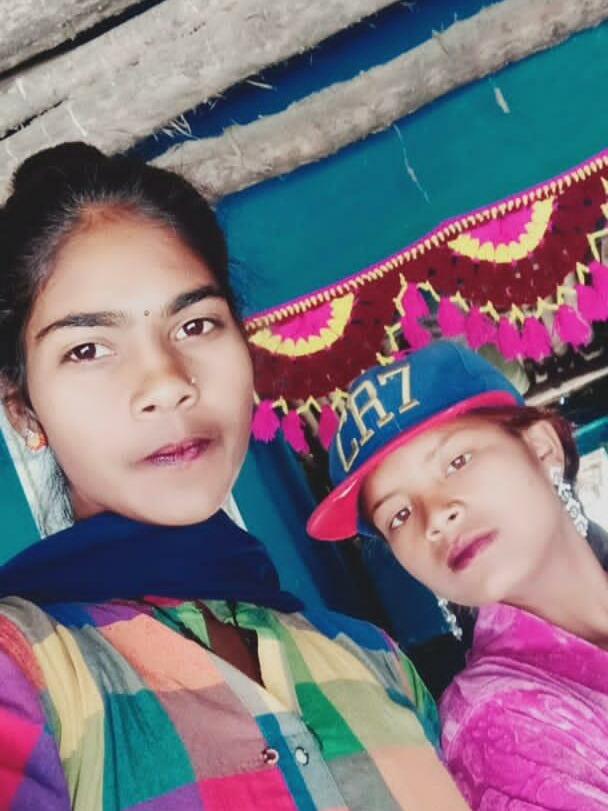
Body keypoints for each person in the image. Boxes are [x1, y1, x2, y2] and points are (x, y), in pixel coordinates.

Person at [0, 143, 469, 811]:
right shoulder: (24, 672)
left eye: (195, 324)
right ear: (23, 409)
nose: (167, 383)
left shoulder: (375, 659)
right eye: (89, 348)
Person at [308, 340, 608, 810]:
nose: (436, 517)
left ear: (540, 448)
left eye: (457, 462)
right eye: (399, 515)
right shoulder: (495, 722)